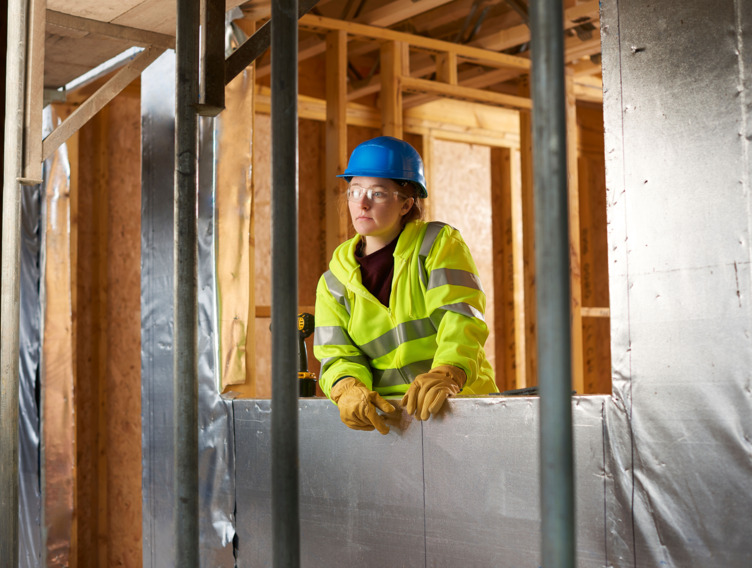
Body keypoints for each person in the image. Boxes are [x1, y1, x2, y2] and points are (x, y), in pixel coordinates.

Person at [313, 136, 498, 434]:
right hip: (391, 423)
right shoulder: (333, 283)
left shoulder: (437, 245)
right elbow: (337, 355)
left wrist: (448, 372)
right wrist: (346, 387)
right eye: (355, 191)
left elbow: (461, 318)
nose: (362, 202)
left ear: (406, 204)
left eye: (378, 193)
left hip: (461, 411)